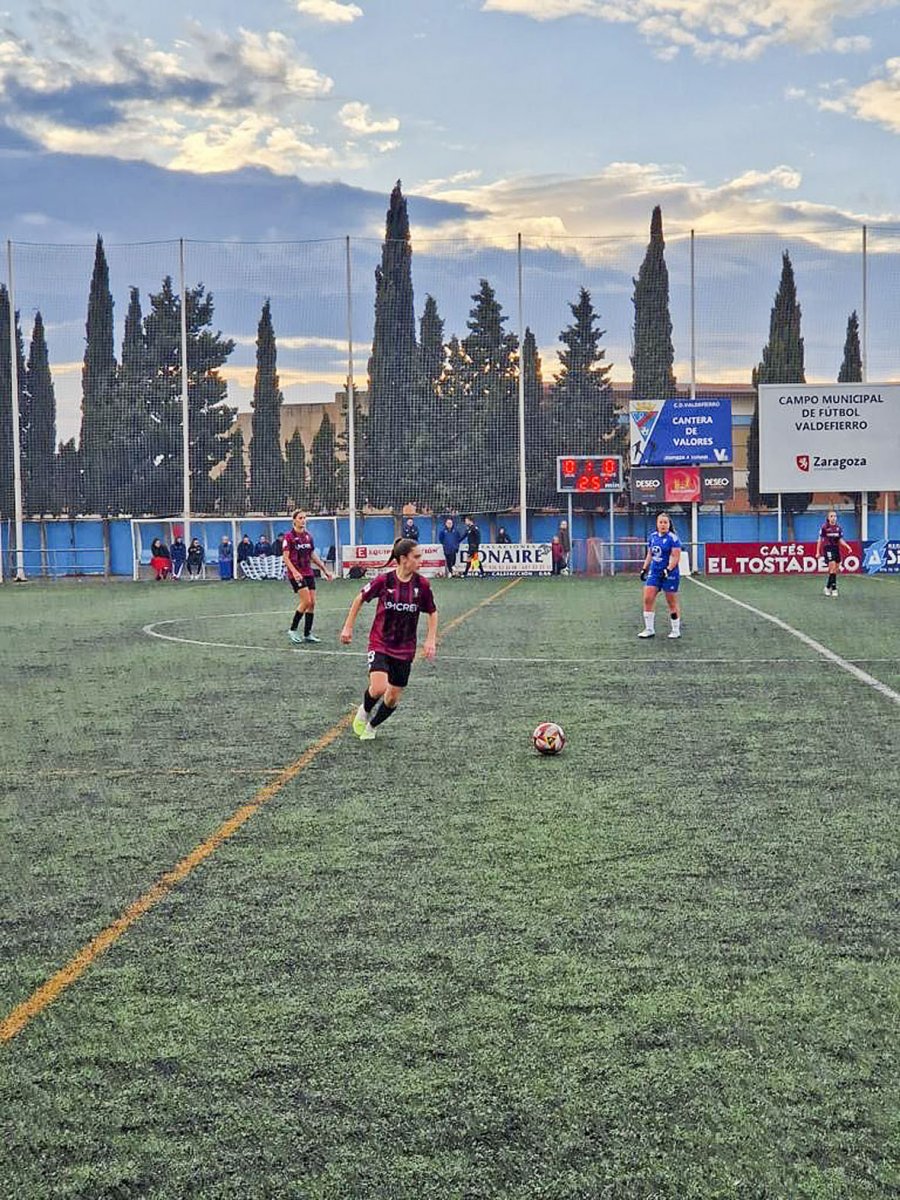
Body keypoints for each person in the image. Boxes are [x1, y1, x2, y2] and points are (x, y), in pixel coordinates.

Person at [340, 538, 438, 740]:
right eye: (416, 556)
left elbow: (432, 612)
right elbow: (360, 598)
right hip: (381, 642)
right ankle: (364, 711)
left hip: (405, 648)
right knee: (378, 687)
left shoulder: (423, 585)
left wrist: (430, 640)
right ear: (403, 559)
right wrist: (348, 627)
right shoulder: (384, 581)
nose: (421, 560)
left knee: (392, 697)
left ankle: (372, 726)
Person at [283, 509, 333, 644]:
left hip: (308, 572)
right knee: (306, 601)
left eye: (305, 518)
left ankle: (307, 633)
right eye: (300, 518)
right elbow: (286, 558)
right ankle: (292, 629)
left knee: (312, 603)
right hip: (296, 574)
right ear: (294, 520)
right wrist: (294, 572)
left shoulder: (308, 537)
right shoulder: (288, 537)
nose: (303, 520)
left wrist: (325, 569)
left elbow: (312, 555)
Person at [638, 512, 682, 639]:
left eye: (665, 522)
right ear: (657, 524)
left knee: (671, 602)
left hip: (670, 574)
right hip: (655, 572)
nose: (663, 525)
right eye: (661, 522)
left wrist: (668, 570)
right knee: (647, 598)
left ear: (669, 524)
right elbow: (650, 554)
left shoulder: (673, 539)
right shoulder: (652, 537)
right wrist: (644, 568)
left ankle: (675, 630)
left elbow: (675, 557)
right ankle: (649, 629)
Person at [816, 509, 853, 597]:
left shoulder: (838, 528)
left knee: (835, 570)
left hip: (836, 548)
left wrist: (847, 546)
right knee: (832, 566)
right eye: (831, 516)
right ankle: (834, 588)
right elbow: (820, 540)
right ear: (828, 518)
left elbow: (840, 539)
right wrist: (817, 552)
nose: (833, 518)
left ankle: (827, 587)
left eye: (835, 516)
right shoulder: (824, 527)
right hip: (828, 548)